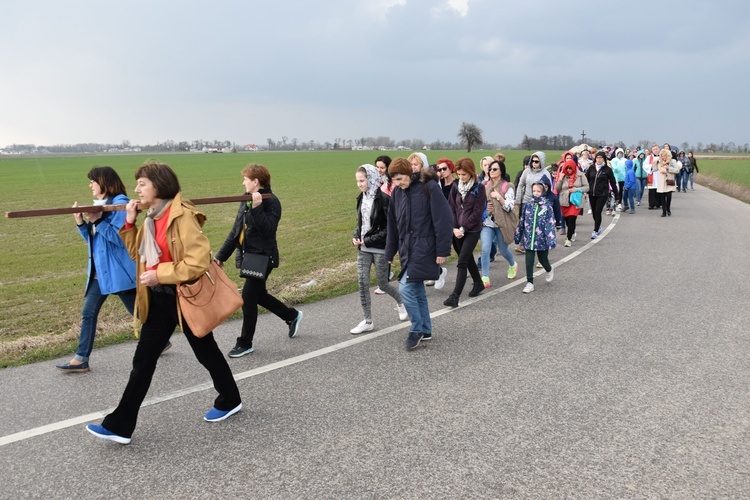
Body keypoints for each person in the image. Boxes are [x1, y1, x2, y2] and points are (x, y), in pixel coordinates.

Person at [86, 160, 242, 445]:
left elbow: (197, 262)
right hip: (159, 300)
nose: (136, 189)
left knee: (205, 352)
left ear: (159, 184)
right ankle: (120, 425)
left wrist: (160, 274)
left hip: (182, 297)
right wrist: (130, 222)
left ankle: (230, 399)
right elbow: (138, 255)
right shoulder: (151, 217)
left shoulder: (181, 217)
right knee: (143, 360)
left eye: (142, 183)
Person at [215, 164, 304, 358]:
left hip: (263, 257)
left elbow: (268, 230)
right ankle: (291, 316)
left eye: (246, 179)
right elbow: (236, 231)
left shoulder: (272, 202)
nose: (243, 182)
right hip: (249, 256)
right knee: (258, 295)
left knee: (248, 298)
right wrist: (221, 257)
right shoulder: (245, 199)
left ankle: (245, 342)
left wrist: (256, 209)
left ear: (256, 182)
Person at [56, 167, 139, 373]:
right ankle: (81, 359)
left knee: (140, 313)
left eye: (93, 181)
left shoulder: (120, 204)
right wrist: (81, 223)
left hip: (118, 273)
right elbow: (94, 242)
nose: (90, 185)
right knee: (88, 313)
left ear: (103, 181)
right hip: (98, 274)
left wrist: (98, 220)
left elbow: (121, 239)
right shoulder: (99, 206)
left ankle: (161, 340)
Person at [385, 158, 453, 349]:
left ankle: (416, 329)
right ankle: (426, 329)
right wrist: (390, 252)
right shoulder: (397, 194)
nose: (397, 183)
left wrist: (442, 249)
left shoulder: (428, 187)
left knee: (406, 288)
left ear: (408, 174)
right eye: (394, 180)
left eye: (400, 179)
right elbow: (393, 226)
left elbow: (444, 218)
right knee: (416, 290)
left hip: (426, 247)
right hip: (407, 249)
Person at [350, 164, 408, 334]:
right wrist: (356, 236)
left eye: (362, 180)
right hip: (364, 248)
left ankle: (401, 303)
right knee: (362, 283)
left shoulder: (384, 199)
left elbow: (390, 228)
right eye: (357, 181)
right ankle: (368, 321)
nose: (359, 184)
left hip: (380, 248)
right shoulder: (361, 198)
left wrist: (367, 240)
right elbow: (360, 223)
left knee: (383, 283)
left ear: (371, 178)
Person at [443, 158, 486, 308]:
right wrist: (454, 228)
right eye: (459, 174)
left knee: (461, 261)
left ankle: (455, 296)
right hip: (456, 230)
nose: (461, 177)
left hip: (472, 230)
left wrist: (463, 228)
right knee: (467, 259)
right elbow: (451, 208)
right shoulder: (455, 186)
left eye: (464, 175)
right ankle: (478, 283)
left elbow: (477, 212)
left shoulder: (479, 188)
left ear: (471, 173)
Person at [480, 160, 518, 286]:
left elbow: (509, 207)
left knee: (503, 250)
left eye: (494, 169)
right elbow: (478, 204)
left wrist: (498, 197)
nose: (491, 171)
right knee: (485, 249)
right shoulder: (484, 185)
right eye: (490, 169)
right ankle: (485, 277)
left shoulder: (507, 186)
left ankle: (513, 264)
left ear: (501, 171)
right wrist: (486, 209)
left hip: (502, 224)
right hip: (487, 223)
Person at [514, 182, 556, 294]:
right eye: (534, 191)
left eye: (538, 191)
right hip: (529, 239)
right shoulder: (528, 205)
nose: (536, 193)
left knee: (543, 260)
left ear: (543, 192)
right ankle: (530, 282)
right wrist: (518, 235)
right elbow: (522, 220)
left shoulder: (547, 207)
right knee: (529, 261)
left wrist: (550, 240)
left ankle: (549, 269)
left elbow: (550, 224)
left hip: (541, 239)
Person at [555, 159, 589, 247]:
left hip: (575, 201)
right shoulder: (563, 175)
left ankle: (568, 239)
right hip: (565, 200)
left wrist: (577, 189)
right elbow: (558, 188)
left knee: (572, 219)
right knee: (567, 219)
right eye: (567, 168)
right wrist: (560, 179)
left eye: (570, 168)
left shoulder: (581, 175)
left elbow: (587, 187)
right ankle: (572, 232)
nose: (569, 170)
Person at [586, 151, 618, 239]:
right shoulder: (591, 168)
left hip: (602, 193)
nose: (599, 160)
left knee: (597, 211)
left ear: (604, 159)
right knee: (593, 212)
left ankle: (595, 230)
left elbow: (613, 182)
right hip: (592, 193)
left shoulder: (607, 170)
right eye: (597, 158)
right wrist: (585, 190)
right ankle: (598, 226)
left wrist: (617, 195)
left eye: (601, 158)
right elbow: (586, 179)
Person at [654, 148, 680, 216]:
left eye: (664, 156)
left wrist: (669, 168)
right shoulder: (660, 162)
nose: (663, 157)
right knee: (662, 196)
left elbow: (677, 170)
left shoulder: (673, 161)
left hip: (669, 180)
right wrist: (655, 162)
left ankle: (668, 208)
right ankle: (664, 211)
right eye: (662, 156)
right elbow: (654, 169)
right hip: (662, 181)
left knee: (668, 196)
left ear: (668, 156)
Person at [644, 144, 662, 210]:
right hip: (652, 175)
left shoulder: (662, 156)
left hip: (660, 175)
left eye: (656, 149)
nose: (655, 150)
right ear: (652, 150)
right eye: (654, 149)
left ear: (659, 149)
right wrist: (652, 166)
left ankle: (658, 203)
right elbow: (645, 165)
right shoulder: (649, 157)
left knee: (659, 190)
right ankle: (651, 204)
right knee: (652, 190)